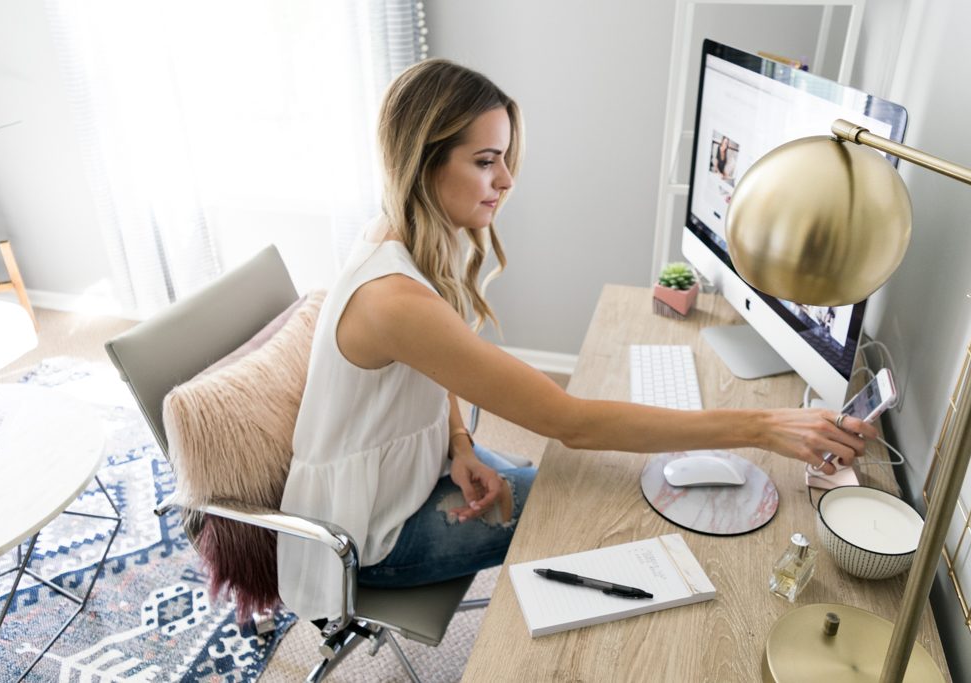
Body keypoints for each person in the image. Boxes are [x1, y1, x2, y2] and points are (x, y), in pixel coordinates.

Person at [276, 59, 876, 621]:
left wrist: (459, 442)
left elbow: (438, 366)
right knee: (585, 514)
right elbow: (573, 423)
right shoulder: (392, 299)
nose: (507, 180)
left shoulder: (410, 235)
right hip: (366, 532)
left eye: (505, 158)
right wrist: (761, 430)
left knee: (588, 486)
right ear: (423, 163)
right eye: (486, 161)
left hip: (414, 472)